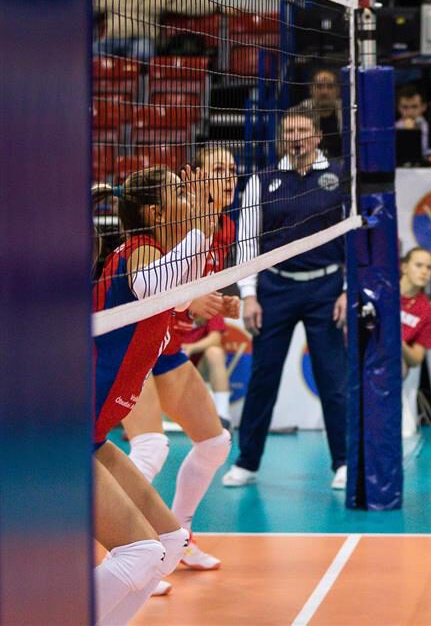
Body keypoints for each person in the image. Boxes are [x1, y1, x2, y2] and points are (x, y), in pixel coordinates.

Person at [90, 164, 226, 620]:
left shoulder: (156, 254)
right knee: (141, 553)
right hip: (69, 428)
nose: (189, 198)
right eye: (180, 193)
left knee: (169, 543)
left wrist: (205, 222)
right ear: (156, 212)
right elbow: (156, 286)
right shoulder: (141, 253)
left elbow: (181, 296)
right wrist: (201, 226)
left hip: (95, 432)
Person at [120, 145, 240, 581]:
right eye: (218, 170)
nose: (228, 178)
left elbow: (187, 293)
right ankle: (131, 547)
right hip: (131, 352)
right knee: (151, 447)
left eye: (232, 170)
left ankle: (180, 536)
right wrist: (191, 298)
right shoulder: (171, 228)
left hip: (166, 348)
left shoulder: (223, 226)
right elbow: (156, 288)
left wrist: (214, 303)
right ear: (196, 177)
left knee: (215, 442)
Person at [223, 105, 350, 491]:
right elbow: (247, 241)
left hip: (326, 289)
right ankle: (247, 463)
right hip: (275, 289)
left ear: (317, 136)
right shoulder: (262, 181)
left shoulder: (340, 175)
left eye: (302, 130)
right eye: (289, 131)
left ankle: (344, 462)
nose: (295, 137)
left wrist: (348, 289)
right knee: (263, 378)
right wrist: (248, 294)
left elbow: (353, 236)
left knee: (333, 380)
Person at [400, 247, 431, 436]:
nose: (424, 272)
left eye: (429, 268)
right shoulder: (384, 291)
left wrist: (398, 342)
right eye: (419, 265)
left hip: (396, 362)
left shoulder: (426, 311)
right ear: (404, 267)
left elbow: (416, 359)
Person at [302, 65, 344, 159]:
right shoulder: (300, 113)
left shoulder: (347, 112)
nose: (324, 92)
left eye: (330, 87)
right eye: (319, 86)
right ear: (311, 90)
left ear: (338, 90)